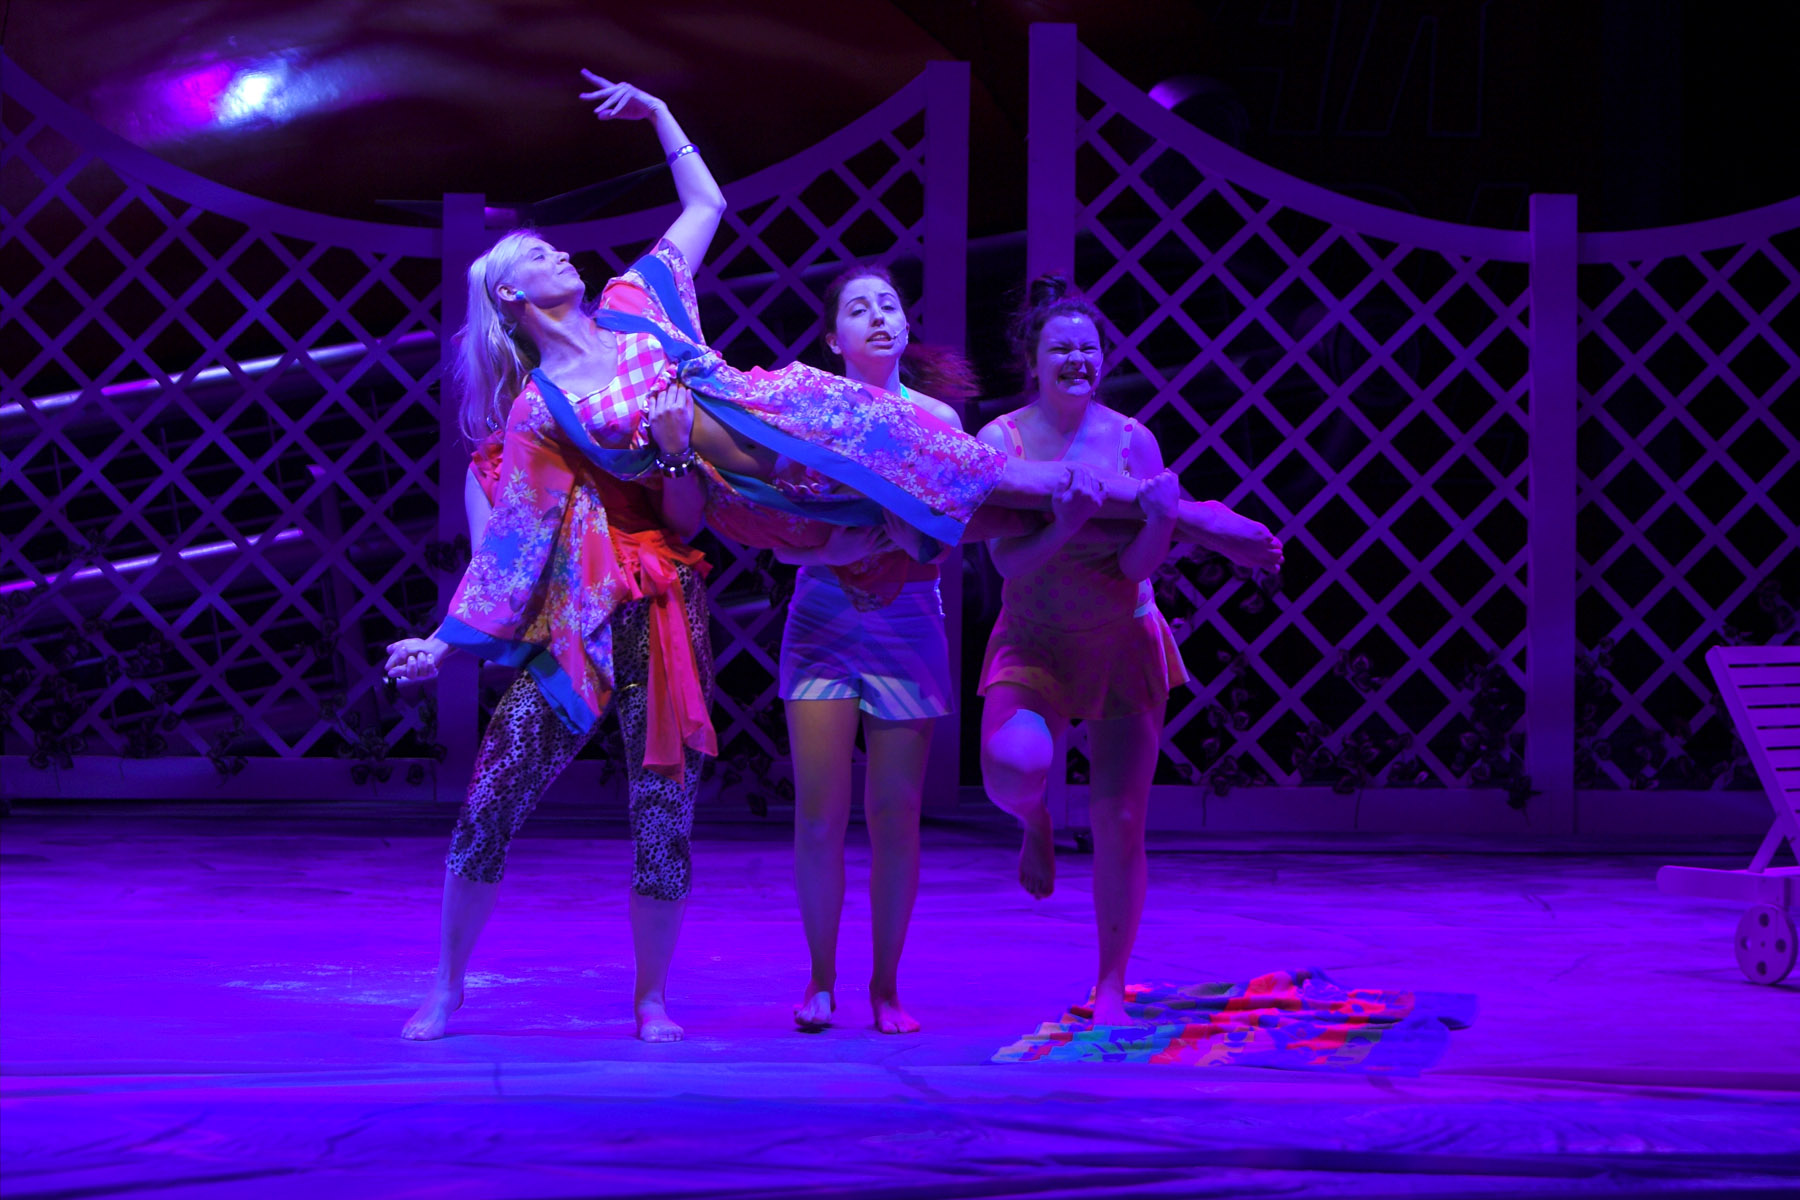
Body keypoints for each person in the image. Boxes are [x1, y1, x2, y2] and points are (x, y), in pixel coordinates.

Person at [386, 72, 725, 1043]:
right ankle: (447, 986)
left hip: (665, 598)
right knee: (495, 789)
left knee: (663, 810)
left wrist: (662, 114)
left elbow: (705, 206)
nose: (559, 251)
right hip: (580, 612)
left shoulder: (640, 306)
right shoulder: (537, 410)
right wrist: (444, 643)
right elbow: (514, 542)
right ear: (510, 293)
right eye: (536, 252)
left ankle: (652, 1000)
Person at [975, 275, 1253, 1029]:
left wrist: (1161, 523)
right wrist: (1064, 524)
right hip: (1036, 636)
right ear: (1032, 361)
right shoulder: (999, 442)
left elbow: (1136, 566)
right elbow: (1005, 564)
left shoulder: (1133, 439)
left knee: (1120, 820)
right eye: (1060, 348)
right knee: (1012, 769)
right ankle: (1035, 821)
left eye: (1088, 348)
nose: (1077, 359)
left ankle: (1110, 983)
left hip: (1122, 634)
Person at [775, 265, 977, 1034]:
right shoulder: (811, 413)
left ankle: (886, 987)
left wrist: (911, 537)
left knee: (896, 815)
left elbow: (954, 533)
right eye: (858, 309)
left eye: (888, 304)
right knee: (819, 815)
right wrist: (829, 549)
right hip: (822, 617)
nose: (878, 317)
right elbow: (778, 531)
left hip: (908, 619)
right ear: (834, 339)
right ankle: (820, 980)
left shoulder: (937, 420)